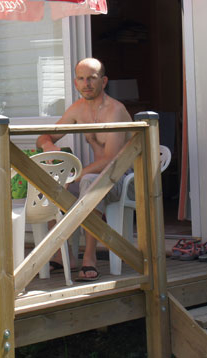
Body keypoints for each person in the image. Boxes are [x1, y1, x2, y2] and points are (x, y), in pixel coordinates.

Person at [36, 57, 131, 282]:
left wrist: (75, 175)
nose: (86, 83)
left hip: (124, 178)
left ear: (104, 81)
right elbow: (44, 136)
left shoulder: (115, 111)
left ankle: (89, 257)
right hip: (96, 176)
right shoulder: (78, 109)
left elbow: (110, 160)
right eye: (81, 78)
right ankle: (63, 256)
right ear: (75, 82)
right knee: (50, 186)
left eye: (92, 78)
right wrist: (49, 144)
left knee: (88, 180)